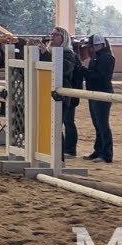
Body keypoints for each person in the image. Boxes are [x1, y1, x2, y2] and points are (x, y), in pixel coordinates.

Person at [38, 26, 83, 158]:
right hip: (47, 91)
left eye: (56, 35)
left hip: (62, 94)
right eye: (51, 34)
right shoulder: (48, 51)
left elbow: (62, 69)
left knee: (60, 123)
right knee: (52, 124)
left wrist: (45, 53)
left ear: (63, 38)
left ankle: (63, 152)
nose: (52, 36)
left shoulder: (69, 54)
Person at [82, 33, 116, 163]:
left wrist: (84, 71)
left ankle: (106, 153)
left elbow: (100, 77)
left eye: (91, 46)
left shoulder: (106, 58)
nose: (90, 49)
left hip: (102, 93)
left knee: (102, 124)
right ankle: (99, 150)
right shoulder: (98, 58)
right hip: (95, 93)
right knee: (98, 124)